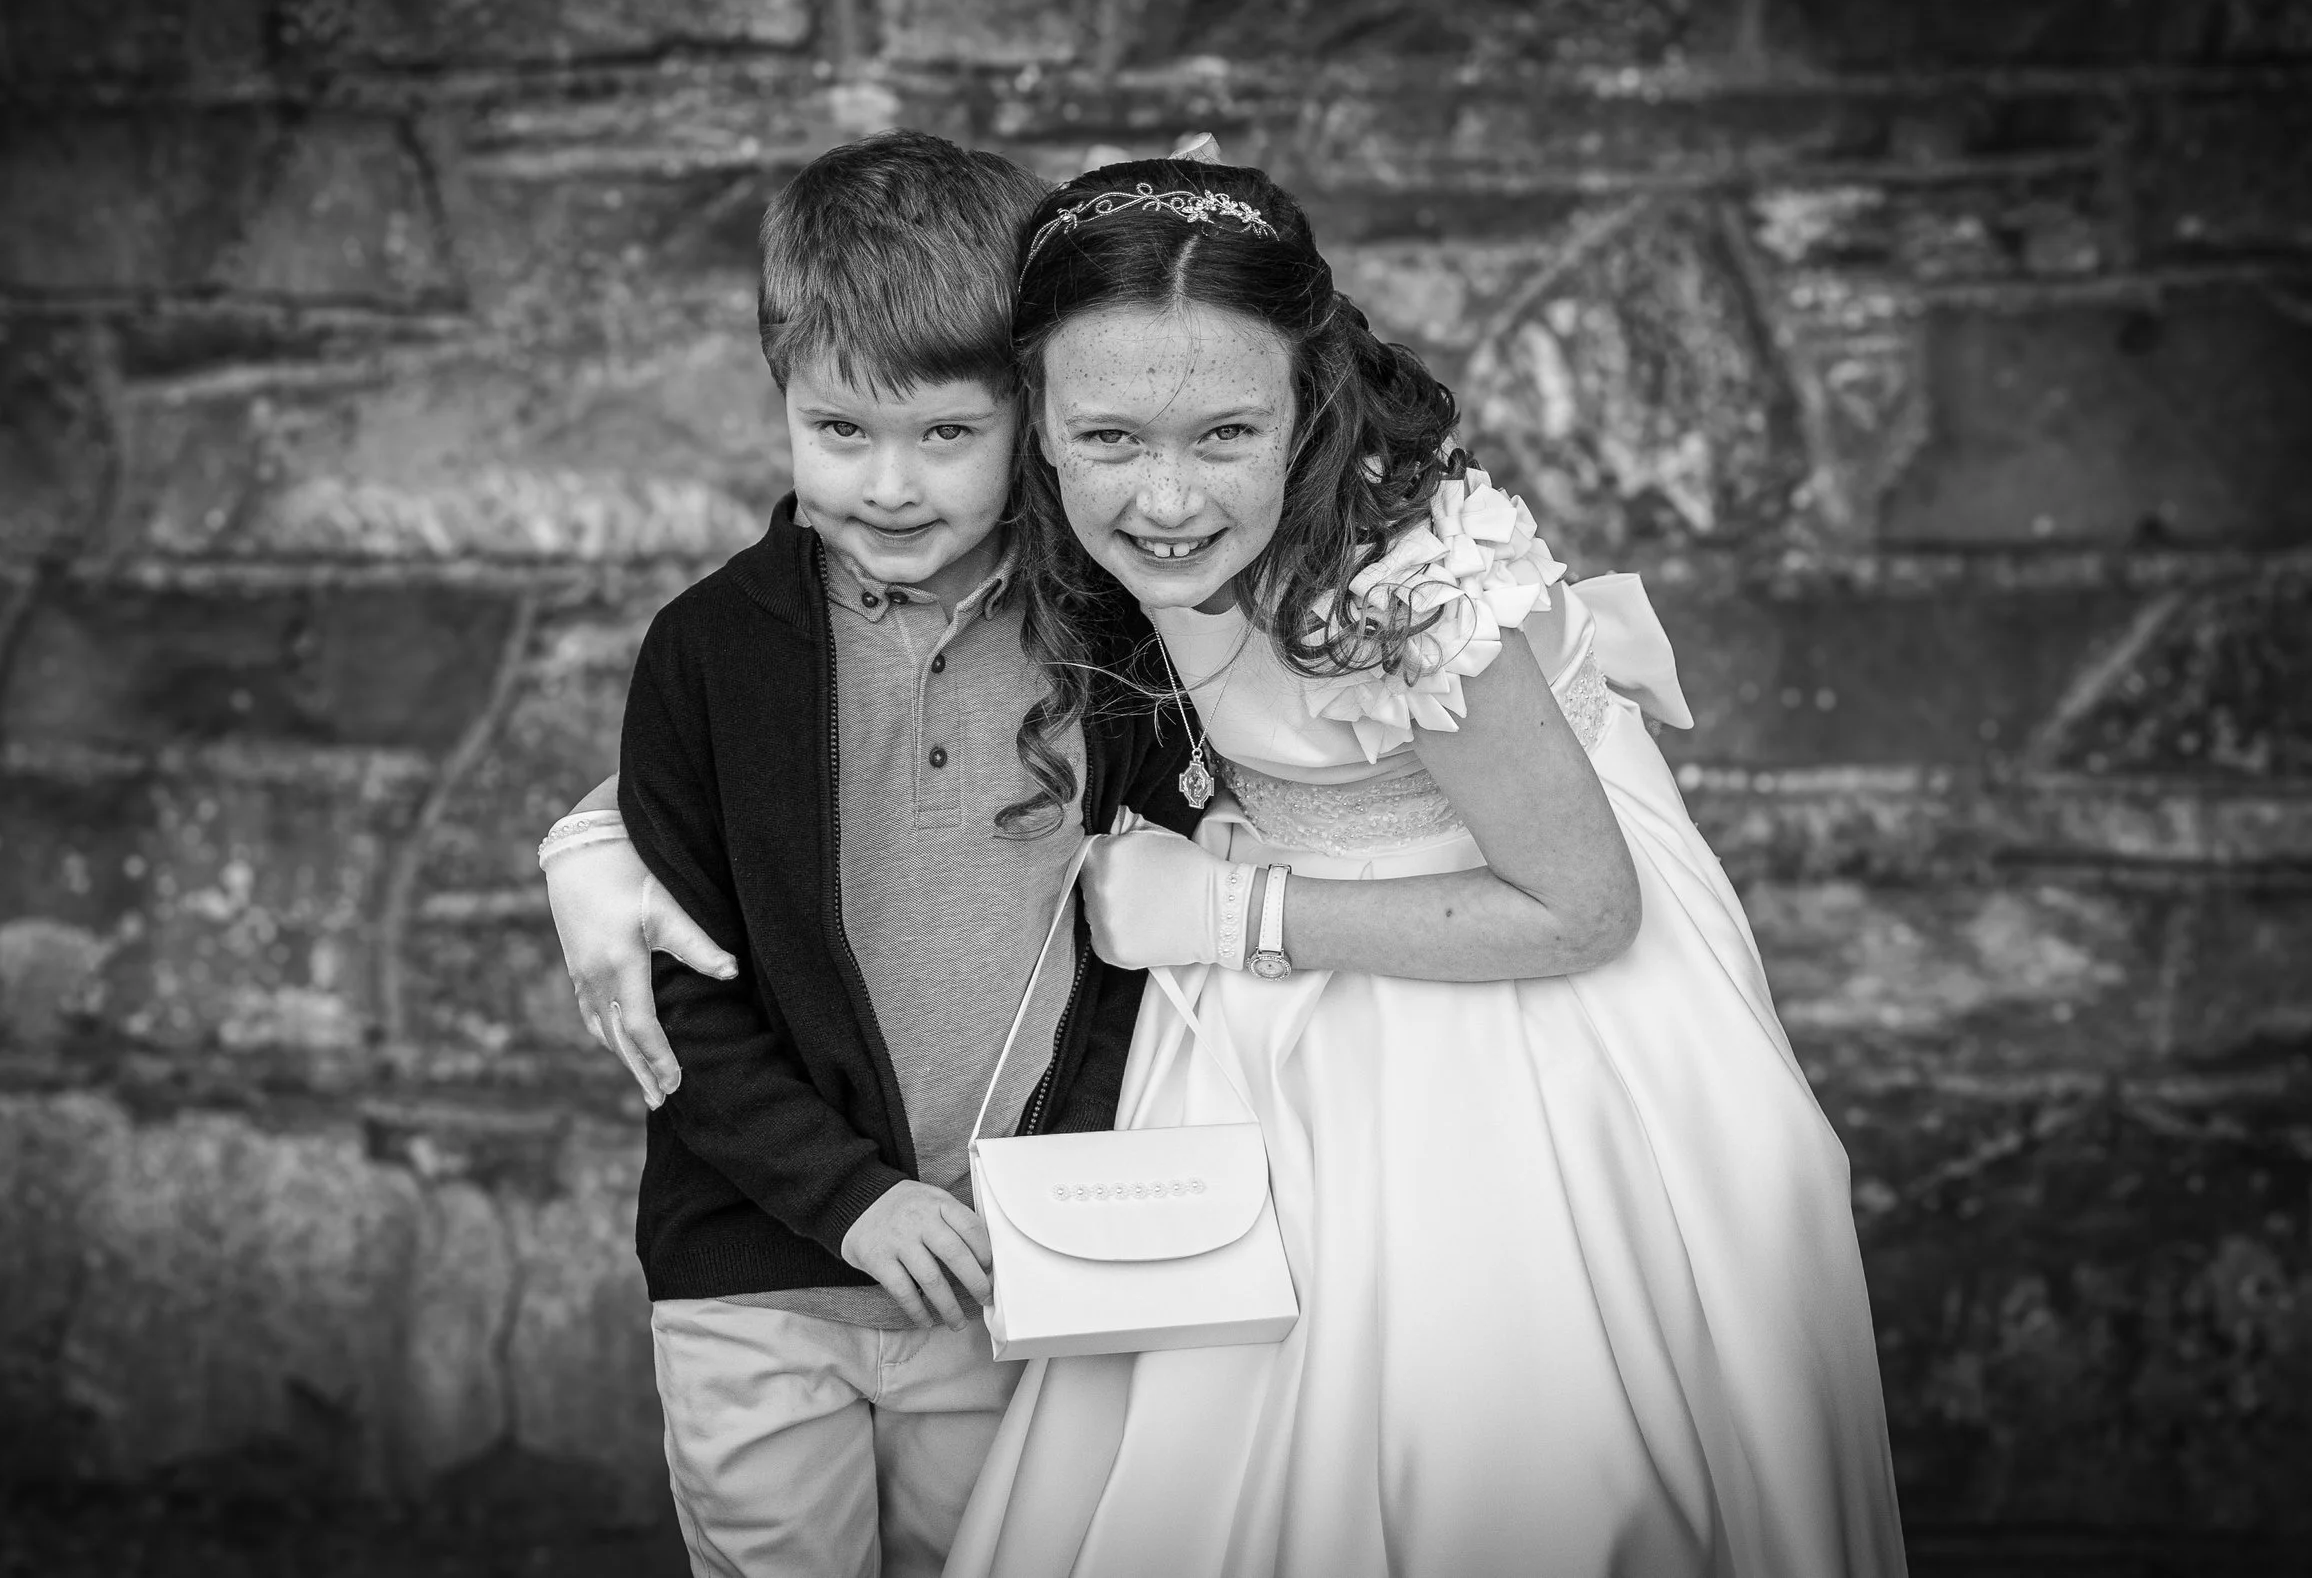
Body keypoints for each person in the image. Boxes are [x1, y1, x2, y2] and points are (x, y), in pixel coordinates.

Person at [557, 150, 1908, 1574]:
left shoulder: (1403, 584)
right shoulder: (1063, 535)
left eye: (1224, 436)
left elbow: (1581, 906)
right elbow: (806, 712)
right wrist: (592, 835)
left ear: (1304, 404)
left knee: (1469, 1422)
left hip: (1513, 1011)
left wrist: (1229, 912)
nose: (1165, 498)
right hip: (1249, 1012)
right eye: (1108, 437)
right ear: (1041, 417)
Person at [550, 128, 1202, 1578]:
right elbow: (681, 991)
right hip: (758, 1276)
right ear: (782, 396)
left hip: (1003, 1278)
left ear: (1030, 411)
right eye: (840, 430)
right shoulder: (709, 653)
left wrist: (1057, 1185)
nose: (891, 484)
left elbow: (1135, 964)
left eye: (946, 434)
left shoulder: (1119, 642)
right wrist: (851, 1201)